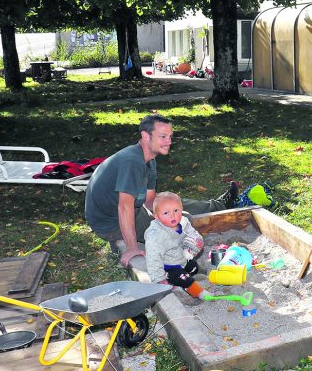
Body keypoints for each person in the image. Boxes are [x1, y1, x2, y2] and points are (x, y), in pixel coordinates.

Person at [84, 114, 233, 267]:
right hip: (110, 223)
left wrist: (171, 208)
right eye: (163, 136)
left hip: (131, 211)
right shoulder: (132, 161)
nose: (169, 141)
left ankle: (218, 205)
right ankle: (185, 266)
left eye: (170, 136)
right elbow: (124, 207)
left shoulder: (149, 160)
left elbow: (150, 201)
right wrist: (132, 248)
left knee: (171, 206)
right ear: (145, 136)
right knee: (183, 224)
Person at [143, 192, 212, 299]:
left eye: (176, 210)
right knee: (183, 278)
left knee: (193, 266)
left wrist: (193, 244)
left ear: (181, 209)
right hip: (167, 267)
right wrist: (159, 278)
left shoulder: (183, 221)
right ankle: (198, 293)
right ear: (156, 216)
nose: (172, 215)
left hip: (181, 258)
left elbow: (192, 234)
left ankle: (190, 276)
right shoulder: (155, 235)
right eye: (166, 213)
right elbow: (153, 258)